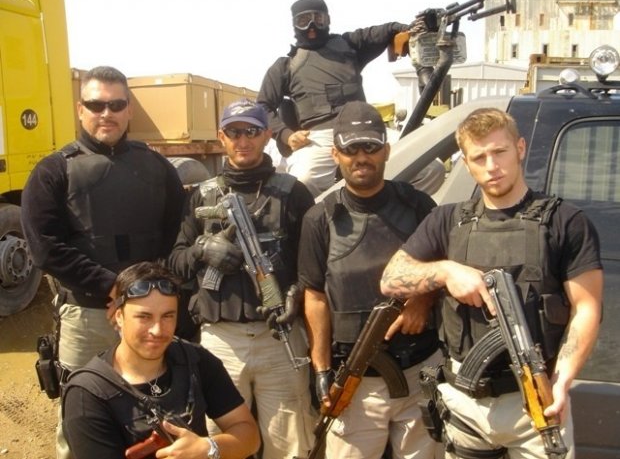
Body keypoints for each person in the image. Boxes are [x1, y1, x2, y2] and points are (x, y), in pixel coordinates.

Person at [380, 108, 603, 459]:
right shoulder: (447, 220)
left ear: (520, 148)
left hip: (537, 401)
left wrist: (561, 382)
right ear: (466, 164)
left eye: (500, 152)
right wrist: (447, 272)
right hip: (465, 402)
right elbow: (391, 279)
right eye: (479, 157)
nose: (492, 165)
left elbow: (587, 308)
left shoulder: (564, 221)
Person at [20, 65, 186, 458]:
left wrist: (147, 293)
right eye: (96, 105)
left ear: (130, 110)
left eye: (116, 104)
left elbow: (178, 234)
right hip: (89, 317)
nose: (106, 113)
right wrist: (114, 288)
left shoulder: (158, 168)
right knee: (81, 421)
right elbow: (45, 247)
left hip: (149, 315)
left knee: (159, 418)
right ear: (80, 109)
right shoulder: (53, 170)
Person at [167, 99, 316, 459]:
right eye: (234, 132)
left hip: (278, 337)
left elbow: (314, 264)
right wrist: (203, 249)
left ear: (267, 135)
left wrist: (295, 293)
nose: (243, 140)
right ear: (221, 137)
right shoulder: (203, 195)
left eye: (251, 131)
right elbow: (175, 264)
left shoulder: (293, 193)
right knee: (218, 443)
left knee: (290, 444)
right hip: (221, 340)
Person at [298, 101, 443, 459]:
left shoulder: (418, 206)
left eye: (370, 146)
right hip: (356, 380)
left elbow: (445, 268)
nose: (361, 157)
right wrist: (321, 370)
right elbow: (315, 297)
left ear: (386, 150)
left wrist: (421, 301)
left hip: (419, 368)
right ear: (335, 154)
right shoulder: (320, 218)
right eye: (350, 149)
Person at [62, 261, 260, 459]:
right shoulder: (87, 394)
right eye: (144, 317)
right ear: (119, 316)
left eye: (167, 316)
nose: (157, 330)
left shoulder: (195, 360)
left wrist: (208, 449)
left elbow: (249, 435)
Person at [257, 0, 410, 197]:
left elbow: (385, 30)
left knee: (429, 167)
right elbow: (262, 107)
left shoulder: (350, 44)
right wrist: (286, 135)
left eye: (318, 19)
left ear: (328, 20)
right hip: (320, 138)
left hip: (365, 128)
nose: (312, 26)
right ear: (294, 24)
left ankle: (393, 209)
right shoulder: (285, 65)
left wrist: (410, 29)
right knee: (301, 183)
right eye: (304, 20)